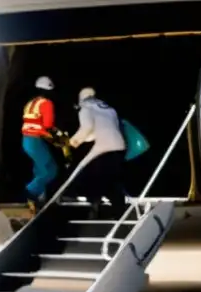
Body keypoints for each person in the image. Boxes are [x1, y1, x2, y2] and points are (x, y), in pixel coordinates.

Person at [68, 87, 127, 219]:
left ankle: (94, 207)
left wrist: (72, 142)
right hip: (118, 146)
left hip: (102, 148)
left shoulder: (86, 109)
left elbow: (87, 128)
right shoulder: (108, 109)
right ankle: (119, 213)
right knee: (112, 181)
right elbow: (101, 130)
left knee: (92, 177)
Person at [21, 76, 61, 210]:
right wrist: (60, 139)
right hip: (35, 141)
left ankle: (38, 199)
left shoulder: (30, 103)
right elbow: (48, 125)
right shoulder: (46, 103)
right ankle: (30, 193)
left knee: (39, 170)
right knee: (50, 170)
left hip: (27, 140)